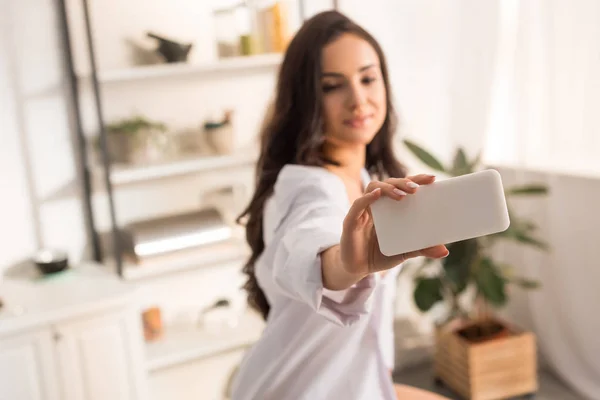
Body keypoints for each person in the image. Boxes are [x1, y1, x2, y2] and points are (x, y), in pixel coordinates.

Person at [231, 10, 450, 400]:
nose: (358, 99)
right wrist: (348, 262)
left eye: (368, 78)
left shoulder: (365, 180)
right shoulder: (306, 188)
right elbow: (310, 247)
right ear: (305, 99)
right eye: (333, 86)